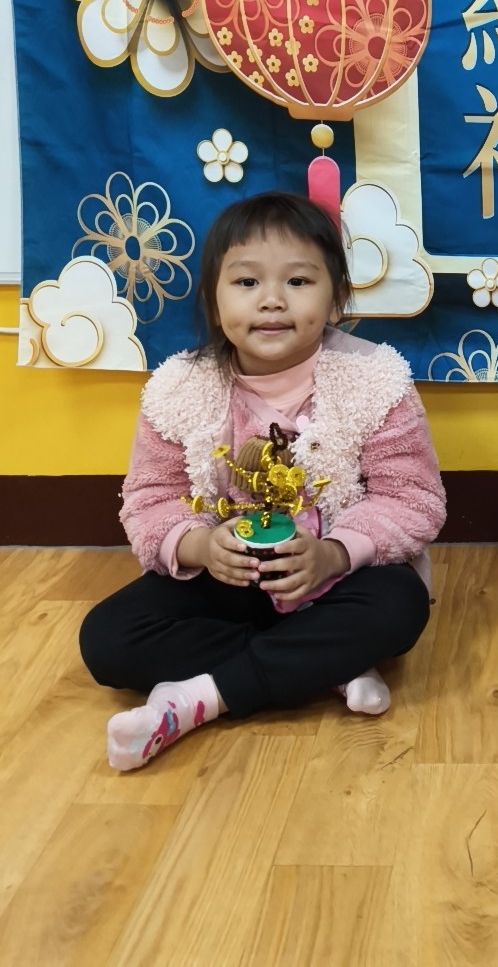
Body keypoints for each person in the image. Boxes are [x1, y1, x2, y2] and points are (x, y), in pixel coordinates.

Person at [80, 192, 445, 771]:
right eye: (246, 282)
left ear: (336, 298)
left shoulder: (375, 380)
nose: (272, 300)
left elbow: (413, 499)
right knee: (107, 637)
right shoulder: (178, 389)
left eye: (298, 282)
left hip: (334, 581)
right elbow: (150, 501)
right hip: (230, 582)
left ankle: (196, 698)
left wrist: (332, 555)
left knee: (398, 607)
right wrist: (201, 546)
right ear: (213, 299)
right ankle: (320, 666)